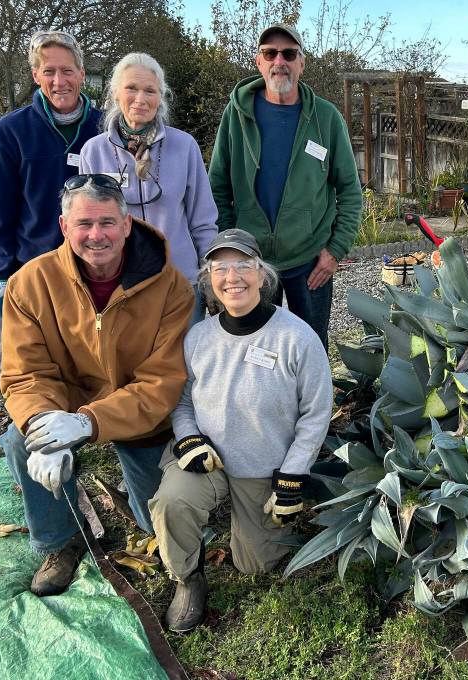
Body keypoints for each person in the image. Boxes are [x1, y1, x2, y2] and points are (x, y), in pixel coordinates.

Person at [0, 175, 194, 597]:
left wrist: (88, 423)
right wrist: (43, 420)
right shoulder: (29, 284)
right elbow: (25, 372)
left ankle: (142, 510)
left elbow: (162, 382)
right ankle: (61, 540)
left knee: (152, 521)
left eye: (107, 222)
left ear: (126, 225)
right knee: (20, 440)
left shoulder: (171, 287)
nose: (96, 235)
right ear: (64, 228)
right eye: (84, 224)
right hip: (63, 401)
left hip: (137, 413)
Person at [149, 228, 333, 632]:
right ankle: (187, 576)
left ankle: (243, 527)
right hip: (208, 458)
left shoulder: (297, 337)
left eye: (243, 265)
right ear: (209, 280)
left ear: (262, 275)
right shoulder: (198, 338)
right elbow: (181, 402)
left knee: (255, 565)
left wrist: (294, 473)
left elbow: (317, 412)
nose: (232, 277)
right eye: (220, 268)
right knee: (172, 503)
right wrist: (189, 438)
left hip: (262, 467)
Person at [208, 23, 363, 350]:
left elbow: (350, 190)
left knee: (311, 349)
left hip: (311, 262)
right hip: (254, 261)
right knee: (256, 350)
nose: (280, 60)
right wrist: (231, 248)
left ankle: (311, 404)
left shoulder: (326, 119)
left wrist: (335, 251)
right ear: (259, 62)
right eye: (271, 53)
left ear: (301, 63)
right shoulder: (236, 116)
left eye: (289, 53)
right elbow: (218, 187)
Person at [79, 52, 217, 320]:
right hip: (120, 287)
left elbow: (203, 220)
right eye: (131, 88)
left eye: (150, 91)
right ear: (116, 93)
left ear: (160, 98)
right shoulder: (93, 152)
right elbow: (85, 224)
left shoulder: (184, 146)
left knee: (182, 361)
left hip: (180, 284)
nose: (140, 99)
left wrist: (209, 273)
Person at [0, 30, 103, 314]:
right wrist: (3, 275)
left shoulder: (104, 127)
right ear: (35, 75)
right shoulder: (12, 130)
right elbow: (3, 209)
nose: (59, 81)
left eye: (67, 71)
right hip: (35, 268)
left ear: (81, 74)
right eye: (49, 71)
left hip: (95, 269)